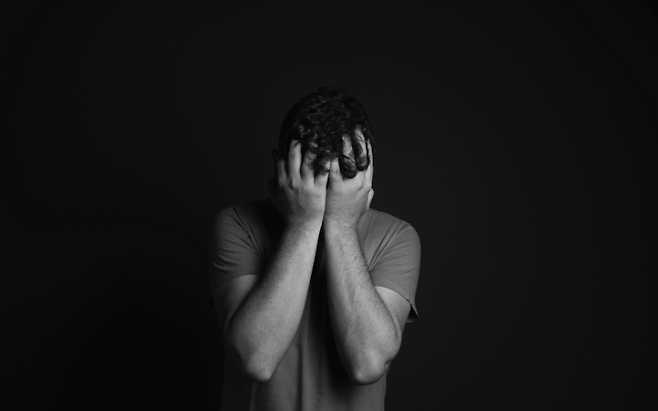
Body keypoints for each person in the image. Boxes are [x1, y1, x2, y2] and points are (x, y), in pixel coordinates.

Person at [210, 86, 421, 410]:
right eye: (315, 172)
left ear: (367, 173)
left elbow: (368, 363)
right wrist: (303, 223)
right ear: (281, 167)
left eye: (342, 173)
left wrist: (341, 224)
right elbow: (256, 358)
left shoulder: (396, 236)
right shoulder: (237, 223)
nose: (326, 188)